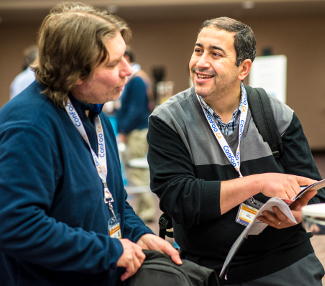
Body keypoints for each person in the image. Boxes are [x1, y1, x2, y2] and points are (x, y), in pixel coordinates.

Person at [0, 3, 181, 286]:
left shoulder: (95, 114)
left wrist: (137, 234)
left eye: (125, 58)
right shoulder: (30, 126)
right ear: (75, 73)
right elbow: (16, 226)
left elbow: (113, 200)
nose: (127, 71)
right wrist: (108, 250)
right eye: (112, 63)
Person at [147, 17, 325, 285]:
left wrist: (299, 218)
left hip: (287, 265)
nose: (200, 62)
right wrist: (259, 182)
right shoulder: (169, 119)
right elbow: (180, 201)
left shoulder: (276, 114)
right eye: (198, 50)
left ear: (243, 68)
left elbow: (319, 200)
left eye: (215, 54)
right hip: (210, 272)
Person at [116, 48, 156, 222]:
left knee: (137, 171)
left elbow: (135, 110)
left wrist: (124, 130)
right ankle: (142, 209)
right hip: (137, 130)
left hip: (137, 132)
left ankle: (146, 212)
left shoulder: (137, 80)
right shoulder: (137, 79)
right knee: (136, 171)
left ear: (126, 58)